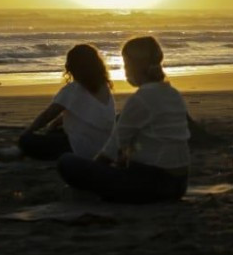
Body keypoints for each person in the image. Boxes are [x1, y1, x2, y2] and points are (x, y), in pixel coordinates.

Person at [57, 36, 191, 203]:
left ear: (136, 66)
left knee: (67, 161)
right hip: (180, 184)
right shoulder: (174, 94)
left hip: (155, 185)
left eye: (126, 64)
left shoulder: (141, 98)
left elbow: (113, 148)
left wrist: (91, 171)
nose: (125, 70)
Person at [18, 44, 116, 159]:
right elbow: (80, 112)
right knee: (55, 132)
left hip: (80, 149)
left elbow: (47, 115)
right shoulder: (104, 86)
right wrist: (54, 125)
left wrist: (28, 131)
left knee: (26, 141)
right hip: (104, 146)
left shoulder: (73, 89)